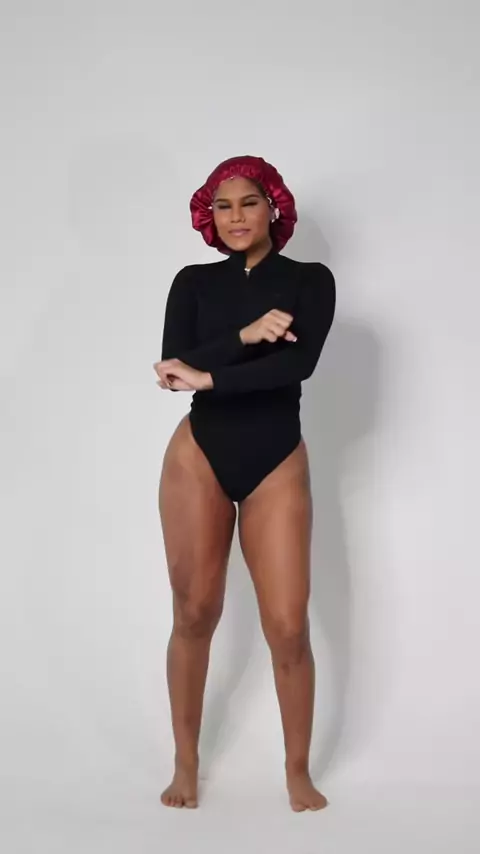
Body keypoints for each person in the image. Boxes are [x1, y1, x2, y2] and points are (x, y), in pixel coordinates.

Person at [153, 155, 336, 811]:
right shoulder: (193, 283)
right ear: (210, 215)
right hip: (199, 454)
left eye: (249, 203)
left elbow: (298, 364)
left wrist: (211, 374)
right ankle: (185, 765)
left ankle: (297, 771)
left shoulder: (310, 280)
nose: (235, 217)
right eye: (223, 206)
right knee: (194, 613)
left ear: (273, 207)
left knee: (286, 626)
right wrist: (246, 335)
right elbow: (172, 367)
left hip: (276, 454)